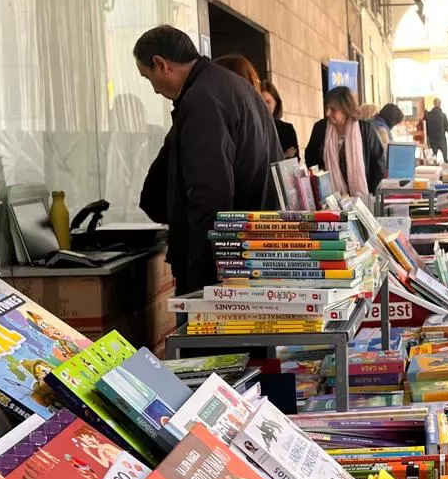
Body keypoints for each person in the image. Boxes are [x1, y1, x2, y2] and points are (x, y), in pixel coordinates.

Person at [134, 25, 280, 295]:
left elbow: (209, 194)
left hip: (226, 267)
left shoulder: (202, 99)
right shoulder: (235, 87)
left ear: (161, 64)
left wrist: (199, 286)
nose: (154, 90)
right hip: (252, 255)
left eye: (148, 78)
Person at [305, 86, 385, 198]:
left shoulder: (365, 129)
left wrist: (371, 194)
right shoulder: (320, 128)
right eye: (326, 108)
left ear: (346, 109)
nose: (327, 113)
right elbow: (310, 157)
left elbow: (378, 164)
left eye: (333, 109)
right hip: (329, 198)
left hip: (363, 197)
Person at [258, 79, 300, 160]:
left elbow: (295, 161)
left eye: (268, 102)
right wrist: (284, 156)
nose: (264, 107)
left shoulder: (287, 129)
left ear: (276, 103)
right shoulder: (250, 129)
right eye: (260, 102)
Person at [424, 98, 448, 163]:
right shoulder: (443, 115)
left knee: (434, 158)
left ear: (434, 104)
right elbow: (447, 127)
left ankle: (434, 169)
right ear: (440, 104)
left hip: (432, 139)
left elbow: (424, 125)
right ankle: (446, 169)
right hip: (441, 139)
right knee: (445, 158)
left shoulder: (428, 115)